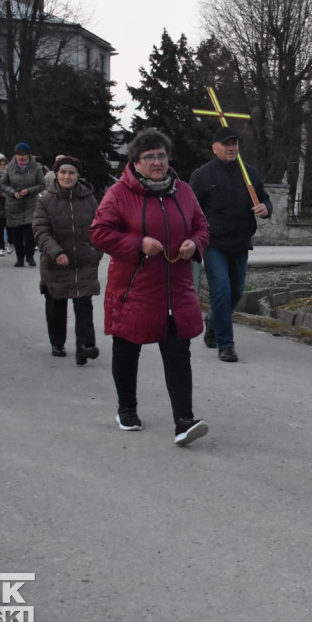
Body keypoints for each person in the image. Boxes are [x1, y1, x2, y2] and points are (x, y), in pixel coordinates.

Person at [90, 129, 210, 444]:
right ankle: (126, 408)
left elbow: (201, 226)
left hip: (176, 289)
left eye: (161, 155)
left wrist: (194, 245)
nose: (157, 162)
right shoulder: (118, 194)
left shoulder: (183, 190)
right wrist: (138, 243)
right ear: (136, 162)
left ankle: (183, 421)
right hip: (134, 288)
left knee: (178, 352)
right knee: (128, 348)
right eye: (150, 157)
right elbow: (99, 232)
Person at [189, 126, 272, 362]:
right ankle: (226, 344)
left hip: (241, 242)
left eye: (235, 143)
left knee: (235, 294)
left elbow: (264, 198)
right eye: (226, 144)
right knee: (222, 292)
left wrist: (267, 208)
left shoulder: (250, 174)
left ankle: (213, 321)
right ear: (214, 147)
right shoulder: (203, 175)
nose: (232, 148)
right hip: (214, 244)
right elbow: (190, 208)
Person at [32, 156, 103, 364]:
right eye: (63, 172)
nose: (66, 176)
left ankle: (85, 346)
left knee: (84, 303)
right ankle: (58, 342)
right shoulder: (45, 199)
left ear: (78, 175)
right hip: (56, 263)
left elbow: (99, 227)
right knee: (56, 303)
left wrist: (95, 251)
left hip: (83, 260)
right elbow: (40, 230)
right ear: (56, 174)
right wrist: (56, 252)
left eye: (71, 172)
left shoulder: (89, 199)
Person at [0, 142, 44, 267]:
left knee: (30, 232)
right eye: (18, 155)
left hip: (30, 203)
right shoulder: (9, 167)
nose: (21, 157)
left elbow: (41, 184)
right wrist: (12, 192)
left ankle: (30, 256)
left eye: (23, 155)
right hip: (14, 204)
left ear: (28, 155)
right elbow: (3, 184)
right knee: (16, 233)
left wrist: (29, 191)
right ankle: (20, 257)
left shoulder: (36, 167)